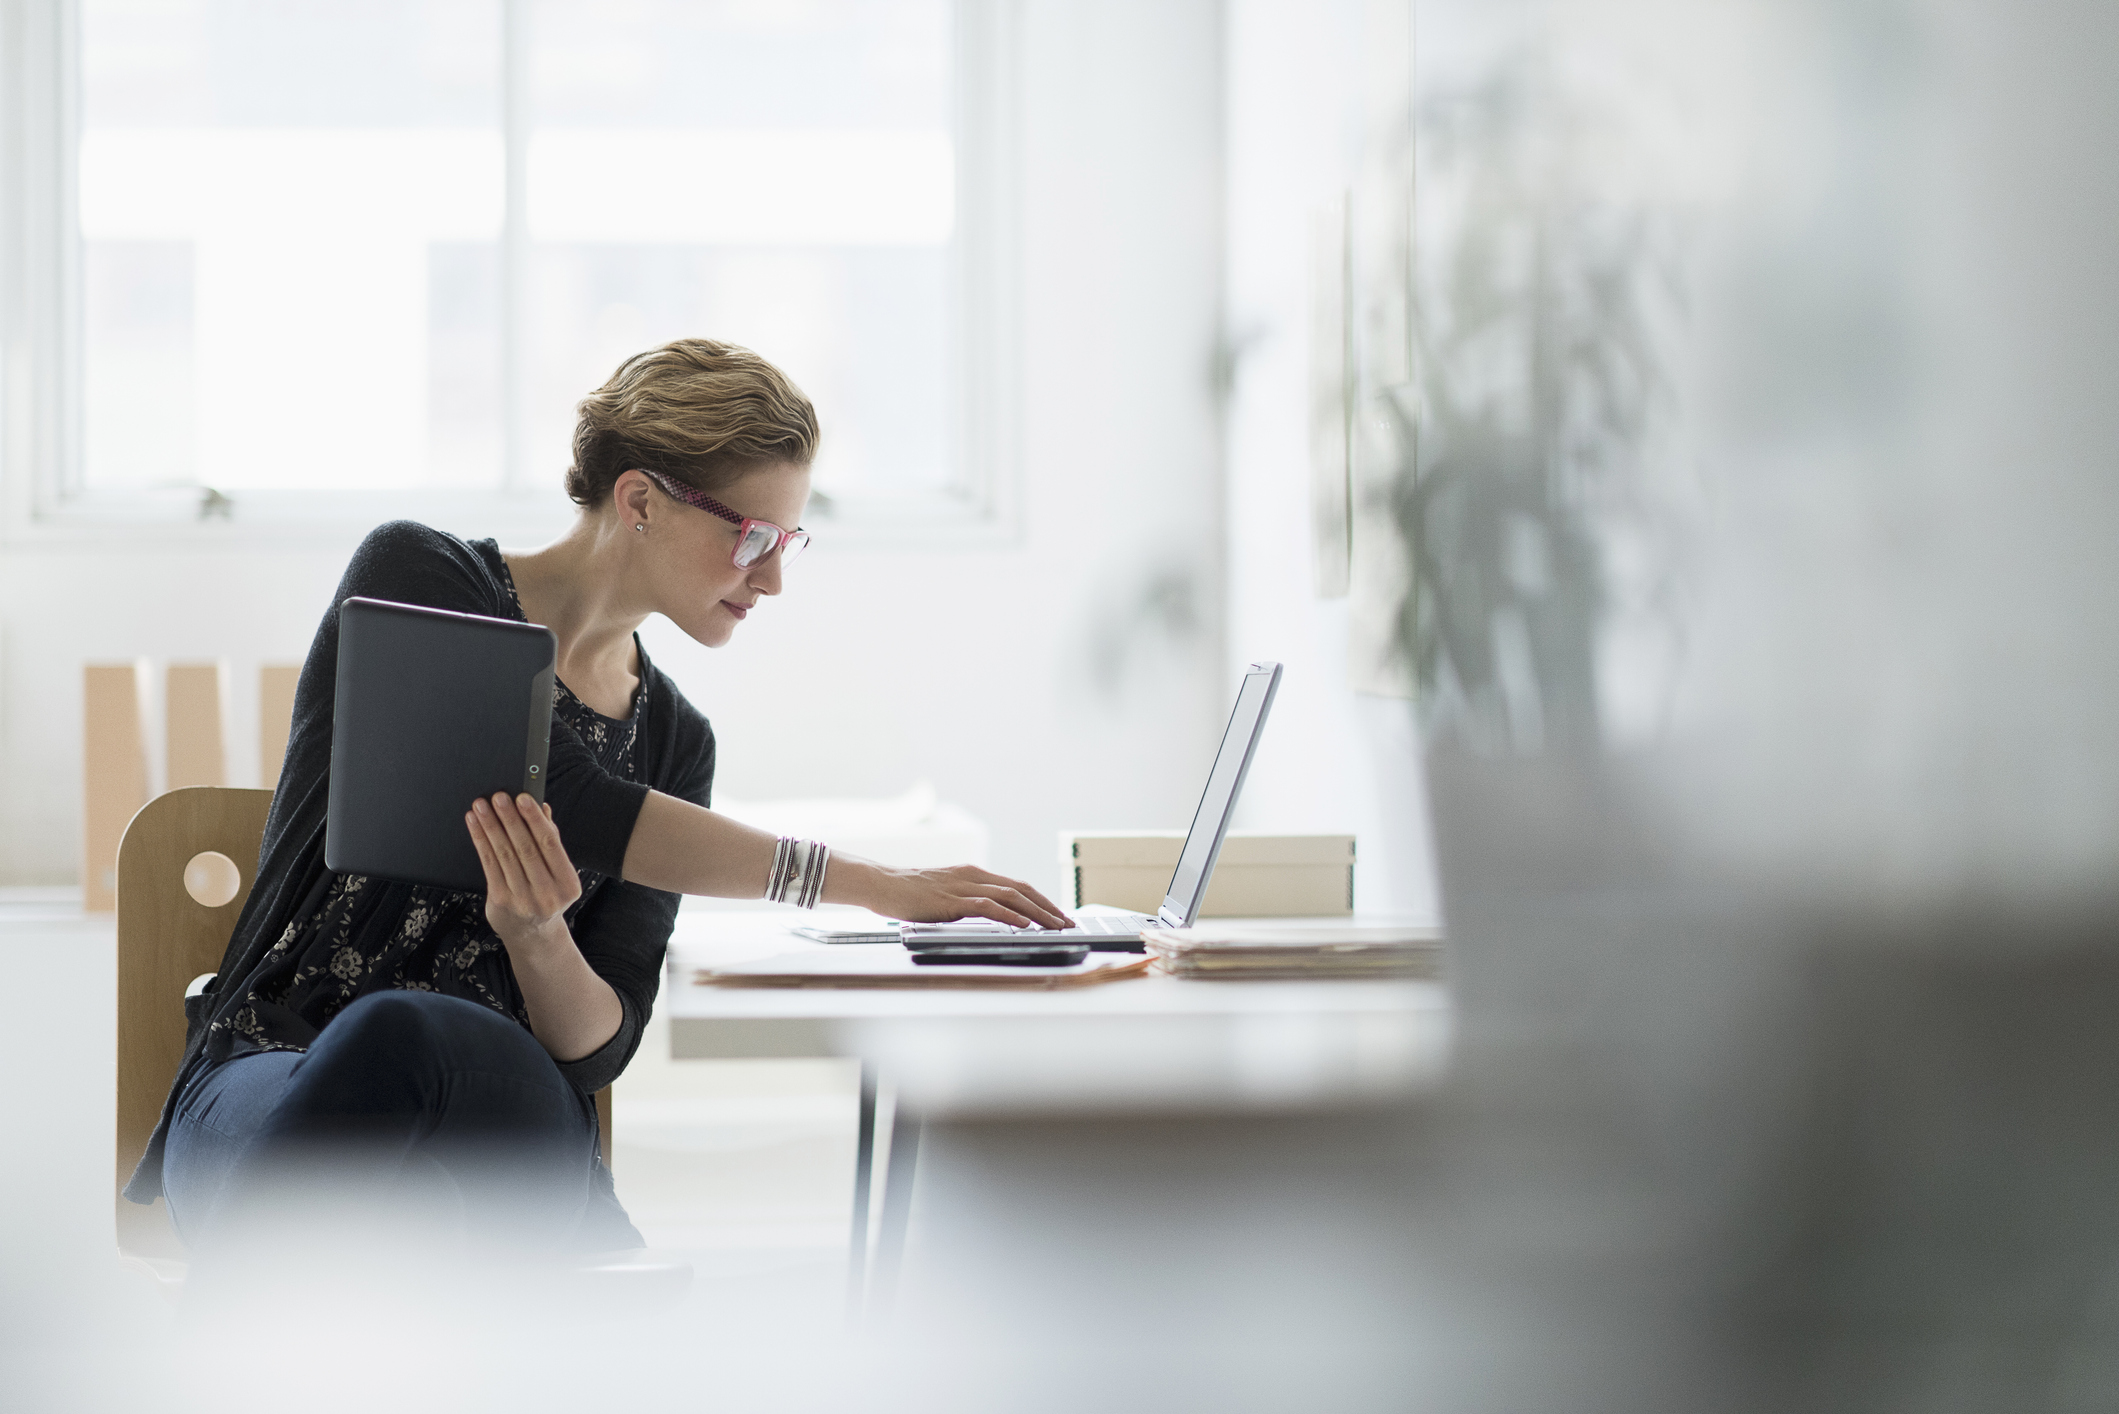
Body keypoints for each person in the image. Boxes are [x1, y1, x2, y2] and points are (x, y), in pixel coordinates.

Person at [129, 338, 1069, 1262]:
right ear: (640, 501)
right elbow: (571, 798)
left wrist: (538, 938)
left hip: (498, 1110)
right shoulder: (421, 578)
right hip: (275, 1068)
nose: (774, 576)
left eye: (788, 542)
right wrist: (874, 882)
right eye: (752, 537)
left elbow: (597, 1048)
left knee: (418, 1087)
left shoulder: (676, 741)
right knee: (393, 1055)